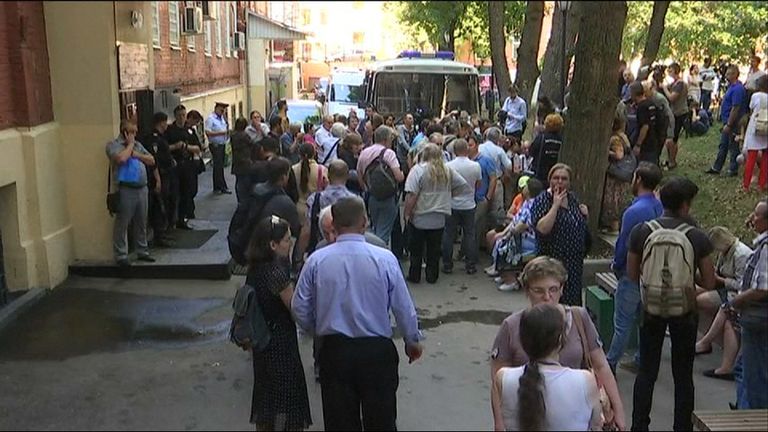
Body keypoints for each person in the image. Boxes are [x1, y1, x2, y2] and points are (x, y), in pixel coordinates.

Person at [292, 196, 424, 431]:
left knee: (339, 421)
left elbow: (299, 306)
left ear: (334, 225)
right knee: (381, 420)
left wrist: (318, 328)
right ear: (364, 222)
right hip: (376, 352)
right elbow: (404, 307)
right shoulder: (384, 259)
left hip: (335, 350)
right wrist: (411, 340)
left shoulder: (316, 261)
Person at [490, 257, 626, 431]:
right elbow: (497, 382)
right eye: (539, 290)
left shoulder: (579, 317)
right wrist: (499, 423)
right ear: (527, 291)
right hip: (528, 415)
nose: (547, 297)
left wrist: (618, 411)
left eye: (553, 289)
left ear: (562, 289)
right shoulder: (511, 326)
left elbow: (601, 365)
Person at [627, 176, 716, 431]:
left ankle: (639, 425)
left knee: (646, 371)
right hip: (684, 312)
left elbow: (633, 275)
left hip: (650, 308)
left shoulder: (642, 231)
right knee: (683, 375)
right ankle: (681, 427)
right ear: (686, 205)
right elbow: (709, 282)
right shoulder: (697, 236)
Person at [244, 216, 311, 430]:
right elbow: (295, 309)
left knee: (266, 397)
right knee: (287, 396)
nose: (290, 242)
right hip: (280, 341)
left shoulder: (255, 269)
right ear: (272, 245)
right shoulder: (276, 274)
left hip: (263, 341)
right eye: (285, 239)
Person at [492, 302, 603, 431]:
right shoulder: (584, 380)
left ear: (522, 339)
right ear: (561, 339)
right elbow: (596, 425)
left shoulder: (503, 378)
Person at [605, 162, 663, 373]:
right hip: (652, 273)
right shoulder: (659, 207)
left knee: (622, 322)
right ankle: (641, 359)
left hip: (631, 273)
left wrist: (617, 265)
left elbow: (624, 245)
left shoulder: (634, 211)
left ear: (638, 179)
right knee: (644, 320)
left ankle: (609, 363)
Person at [693, 226, 752, 381]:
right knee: (693, 296)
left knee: (723, 310)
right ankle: (708, 339)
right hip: (726, 289)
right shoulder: (725, 252)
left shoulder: (741, 254)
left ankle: (706, 342)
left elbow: (742, 284)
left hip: (736, 292)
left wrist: (720, 280)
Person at [404, 143, 467, 284]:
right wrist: (448, 195)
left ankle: (415, 275)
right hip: (439, 215)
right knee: (434, 248)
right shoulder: (447, 170)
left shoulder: (418, 170)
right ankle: (432, 276)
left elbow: (412, 195)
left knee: (416, 248)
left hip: (420, 214)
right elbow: (462, 185)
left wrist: (407, 213)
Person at [529, 164, 589, 306]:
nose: (560, 182)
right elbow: (542, 228)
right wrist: (555, 206)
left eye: (564, 179)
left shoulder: (573, 198)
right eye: (556, 178)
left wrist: (586, 216)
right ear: (550, 180)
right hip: (552, 263)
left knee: (572, 306)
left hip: (573, 264)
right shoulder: (543, 200)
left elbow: (577, 225)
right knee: (552, 304)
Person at [730, 199, 768, 409]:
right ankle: (743, 412)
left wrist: (737, 300)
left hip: (758, 319)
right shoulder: (761, 243)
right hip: (757, 319)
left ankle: (752, 417)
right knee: (743, 369)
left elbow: (763, 288)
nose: (751, 218)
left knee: (755, 377)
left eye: (756, 215)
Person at [105, 119, 157, 266]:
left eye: (135, 132)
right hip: (126, 188)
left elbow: (151, 160)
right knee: (123, 222)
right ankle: (121, 254)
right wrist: (130, 146)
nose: (134, 134)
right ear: (124, 132)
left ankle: (142, 250)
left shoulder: (138, 145)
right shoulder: (113, 145)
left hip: (142, 187)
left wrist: (134, 152)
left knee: (142, 220)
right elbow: (121, 159)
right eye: (132, 132)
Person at [487, 178, 544, 292]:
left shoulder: (534, 205)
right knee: (499, 240)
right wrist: (504, 233)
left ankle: (512, 280)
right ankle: (504, 274)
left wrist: (508, 235)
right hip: (518, 235)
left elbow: (523, 225)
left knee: (505, 246)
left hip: (529, 239)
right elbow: (515, 221)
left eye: (526, 187)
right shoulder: (525, 203)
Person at [357, 126, 405, 245]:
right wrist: (403, 174)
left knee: (376, 227)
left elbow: (359, 174)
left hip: (372, 196)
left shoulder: (364, 153)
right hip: (388, 197)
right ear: (386, 139)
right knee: (383, 232)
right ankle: (377, 255)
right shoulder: (389, 154)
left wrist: (367, 189)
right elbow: (398, 177)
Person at [442, 139, 482, 275]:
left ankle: (447, 264)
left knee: (448, 233)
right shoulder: (475, 166)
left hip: (452, 204)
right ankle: (470, 264)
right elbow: (478, 184)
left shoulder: (448, 166)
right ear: (466, 149)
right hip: (469, 204)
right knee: (469, 234)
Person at [706, 65, 748, 177]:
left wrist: (729, 124)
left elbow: (735, 108)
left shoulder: (738, 89)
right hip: (727, 122)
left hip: (733, 122)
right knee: (723, 145)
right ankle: (717, 167)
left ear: (735, 74)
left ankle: (733, 169)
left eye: (729, 74)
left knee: (733, 146)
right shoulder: (731, 87)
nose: (726, 76)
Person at [250, 157, 302, 242]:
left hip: (252, 240)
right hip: (270, 244)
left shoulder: (256, 189)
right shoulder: (285, 202)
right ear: (284, 177)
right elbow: (296, 229)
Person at [143, 112, 175, 247]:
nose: (166, 124)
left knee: (166, 202)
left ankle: (163, 232)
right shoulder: (153, 139)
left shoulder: (162, 137)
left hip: (166, 173)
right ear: (161, 122)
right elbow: (155, 158)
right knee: (159, 205)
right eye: (165, 122)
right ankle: (159, 235)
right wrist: (157, 178)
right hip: (160, 175)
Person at [601, 117, 633, 233]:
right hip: (621, 174)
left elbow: (619, 155)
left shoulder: (615, 138)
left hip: (616, 175)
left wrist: (605, 151)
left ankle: (613, 227)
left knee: (613, 200)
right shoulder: (623, 135)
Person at [468, 134, 499, 252]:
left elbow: (493, 178)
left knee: (476, 227)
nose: (468, 147)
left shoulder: (486, 161)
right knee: (469, 227)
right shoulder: (467, 161)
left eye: (471, 145)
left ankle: (472, 253)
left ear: (477, 146)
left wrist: (488, 196)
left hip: (481, 198)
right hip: (468, 199)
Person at [479, 127, 513, 228]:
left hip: (480, 181)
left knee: (480, 211)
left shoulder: (479, 147)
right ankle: (493, 232)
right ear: (498, 139)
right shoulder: (499, 150)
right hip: (496, 181)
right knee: (496, 210)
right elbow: (508, 165)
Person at [742, 75, 768, 191]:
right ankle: (762, 184)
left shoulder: (756, 96)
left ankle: (746, 184)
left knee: (751, 157)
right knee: (765, 158)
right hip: (766, 127)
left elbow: (751, 108)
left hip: (756, 126)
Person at [661, 63, 689, 169]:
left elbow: (672, 98)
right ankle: (670, 160)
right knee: (672, 139)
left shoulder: (680, 84)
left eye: (671, 70)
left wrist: (664, 88)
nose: (669, 72)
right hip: (676, 113)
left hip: (679, 113)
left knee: (672, 139)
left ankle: (672, 161)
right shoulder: (675, 83)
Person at [292, 143, 328, 223]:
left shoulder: (293, 169)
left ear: (299, 154)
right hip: (316, 208)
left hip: (299, 207)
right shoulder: (322, 170)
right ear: (314, 153)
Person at [630, 82, 661, 165]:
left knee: (645, 167)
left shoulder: (642, 107)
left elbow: (645, 126)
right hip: (654, 139)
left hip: (646, 144)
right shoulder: (650, 103)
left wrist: (638, 144)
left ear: (633, 93)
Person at [204, 102, 231, 194]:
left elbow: (225, 128)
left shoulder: (222, 118)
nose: (222, 111)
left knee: (220, 166)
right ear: (216, 109)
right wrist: (220, 133)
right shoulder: (211, 119)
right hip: (215, 145)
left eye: (223, 110)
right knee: (218, 166)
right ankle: (221, 187)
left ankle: (218, 186)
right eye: (221, 110)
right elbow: (207, 132)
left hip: (222, 144)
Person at [529, 113, 564, 184]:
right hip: (555, 174)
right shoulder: (562, 140)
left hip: (540, 174)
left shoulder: (541, 138)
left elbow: (531, 151)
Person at [230, 117, 256, 203]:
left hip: (237, 160)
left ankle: (240, 199)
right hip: (245, 161)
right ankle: (244, 199)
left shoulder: (233, 135)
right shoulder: (244, 135)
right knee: (245, 181)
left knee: (239, 181)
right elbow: (252, 143)